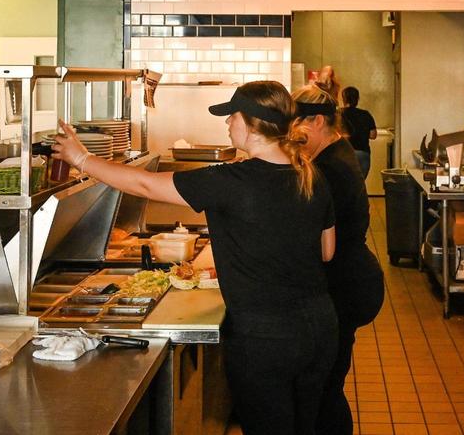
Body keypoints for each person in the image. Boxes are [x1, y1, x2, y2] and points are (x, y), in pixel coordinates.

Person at [53, 81, 338, 435]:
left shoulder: (231, 180)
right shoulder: (311, 175)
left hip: (264, 339)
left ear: (252, 125)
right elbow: (326, 251)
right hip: (319, 328)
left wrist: (82, 158)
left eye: (232, 116)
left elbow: (144, 184)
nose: (227, 123)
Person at [292, 84, 385, 435]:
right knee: (326, 385)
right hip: (350, 280)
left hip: (346, 286)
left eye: (297, 123)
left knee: (325, 388)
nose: (292, 133)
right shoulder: (334, 153)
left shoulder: (331, 168)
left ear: (318, 121)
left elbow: (317, 240)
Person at [339, 86, 377, 179]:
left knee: (344, 183)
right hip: (363, 154)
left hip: (343, 153)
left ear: (343, 99)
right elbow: (373, 135)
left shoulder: (338, 114)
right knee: (360, 183)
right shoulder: (365, 114)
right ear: (357, 99)